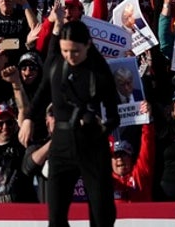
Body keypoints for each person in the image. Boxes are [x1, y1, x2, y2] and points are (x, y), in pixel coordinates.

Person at [23, 12, 119, 227]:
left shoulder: (100, 72)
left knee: (102, 212)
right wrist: (29, 118)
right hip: (61, 143)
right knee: (56, 215)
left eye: (75, 51)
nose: (70, 56)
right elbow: (42, 94)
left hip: (91, 145)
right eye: (65, 50)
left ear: (88, 45)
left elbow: (113, 116)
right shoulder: (57, 64)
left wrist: (98, 124)